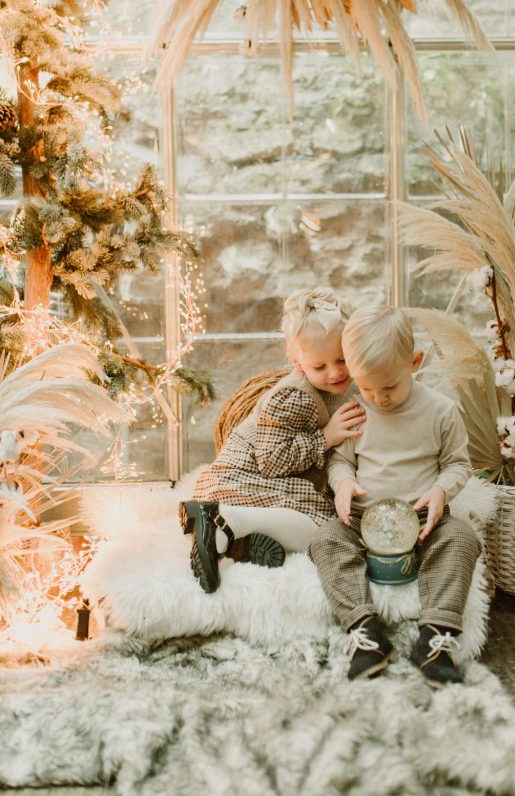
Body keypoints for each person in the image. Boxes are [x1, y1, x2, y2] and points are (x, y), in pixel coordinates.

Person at [307, 303, 481, 687]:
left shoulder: (441, 412)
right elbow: (340, 463)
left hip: (422, 519)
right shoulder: (356, 410)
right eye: (366, 386)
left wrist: (440, 490)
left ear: (414, 361)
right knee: (324, 539)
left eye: (389, 386)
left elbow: (458, 464)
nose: (378, 398)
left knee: (462, 538)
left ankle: (436, 637)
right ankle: (364, 631)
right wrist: (343, 484)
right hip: (364, 518)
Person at [180, 287, 366, 593]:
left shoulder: (351, 387)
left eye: (342, 359)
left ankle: (232, 542)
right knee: (324, 531)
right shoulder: (294, 396)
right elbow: (272, 461)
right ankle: (225, 520)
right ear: (297, 362)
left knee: (324, 526)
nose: (335, 372)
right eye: (320, 366)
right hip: (244, 477)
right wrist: (326, 437)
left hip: (272, 482)